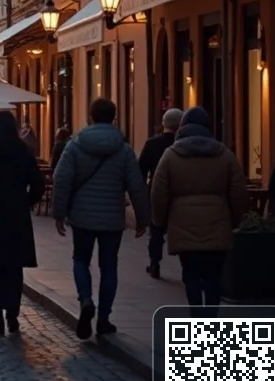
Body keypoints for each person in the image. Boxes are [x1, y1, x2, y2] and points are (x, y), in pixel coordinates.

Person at [52, 97, 148, 340]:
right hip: (112, 218)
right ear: (113, 118)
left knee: (81, 259)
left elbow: (61, 179)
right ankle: (104, 318)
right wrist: (142, 217)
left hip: (82, 216)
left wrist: (59, 213)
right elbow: (136, 185)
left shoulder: (75, 145)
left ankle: (85, 299)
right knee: (109, 266)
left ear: (91, 116)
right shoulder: (124, 149)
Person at [151, 105, 248, 307]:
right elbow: (238, 191)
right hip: (217, 224)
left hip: (183, 225)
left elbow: (158, 192)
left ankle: (197, 318)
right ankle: (211, 321)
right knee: (214, 277)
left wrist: (159, 221)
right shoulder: (225, 155)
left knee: (191, 275)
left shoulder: (171, 155)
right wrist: (236, 219)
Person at [0, 109, 45, 335]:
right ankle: (13, 315)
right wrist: (26, 202)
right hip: (17, 217)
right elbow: (38, 185)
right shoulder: (24, 152)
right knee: (14, 268)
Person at [137, 108, 183, 279]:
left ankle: (154, 262)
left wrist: (141, 193)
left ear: (164, 124)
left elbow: (141, 169)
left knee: (156, 230)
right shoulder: (182, 144)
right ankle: (186, 264)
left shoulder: (152, 144)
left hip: (156, 191)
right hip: (180, 193)